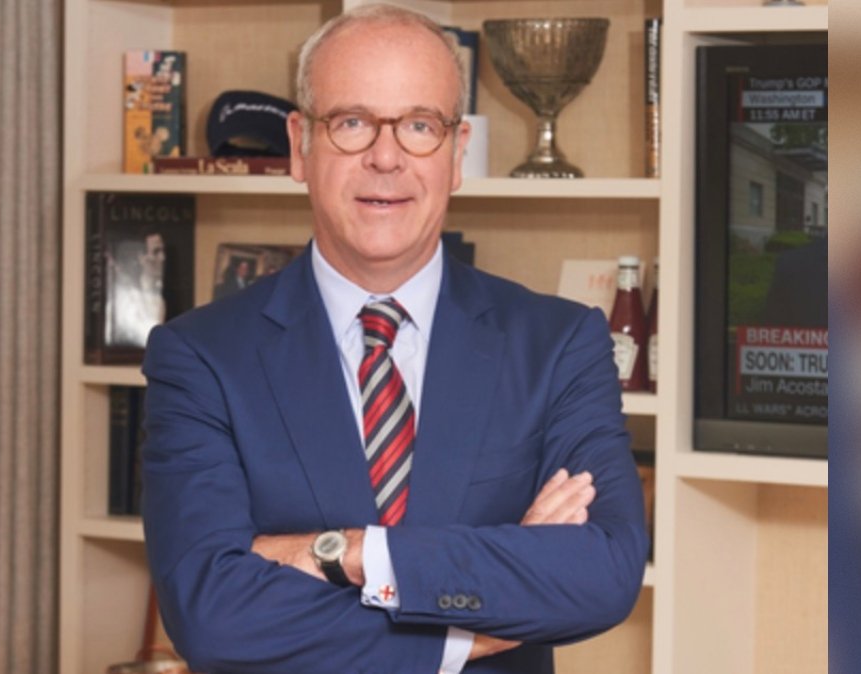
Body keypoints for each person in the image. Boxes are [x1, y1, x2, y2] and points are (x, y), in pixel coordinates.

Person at [140, 5, 647, 673]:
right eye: (351, 123)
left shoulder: (559, 344)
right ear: (300, 146)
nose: (386, 158)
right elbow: (211, 616)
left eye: (418, 126)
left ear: (457, 151)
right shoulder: (200, 357)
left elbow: (603, 572)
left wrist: (346, 552)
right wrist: (467, 624)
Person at [107, 230, 167, 347]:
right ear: (141, 257)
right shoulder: (125, 299)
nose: (163, 258)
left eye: (163, 251)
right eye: (156, 252)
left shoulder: (160, 296)